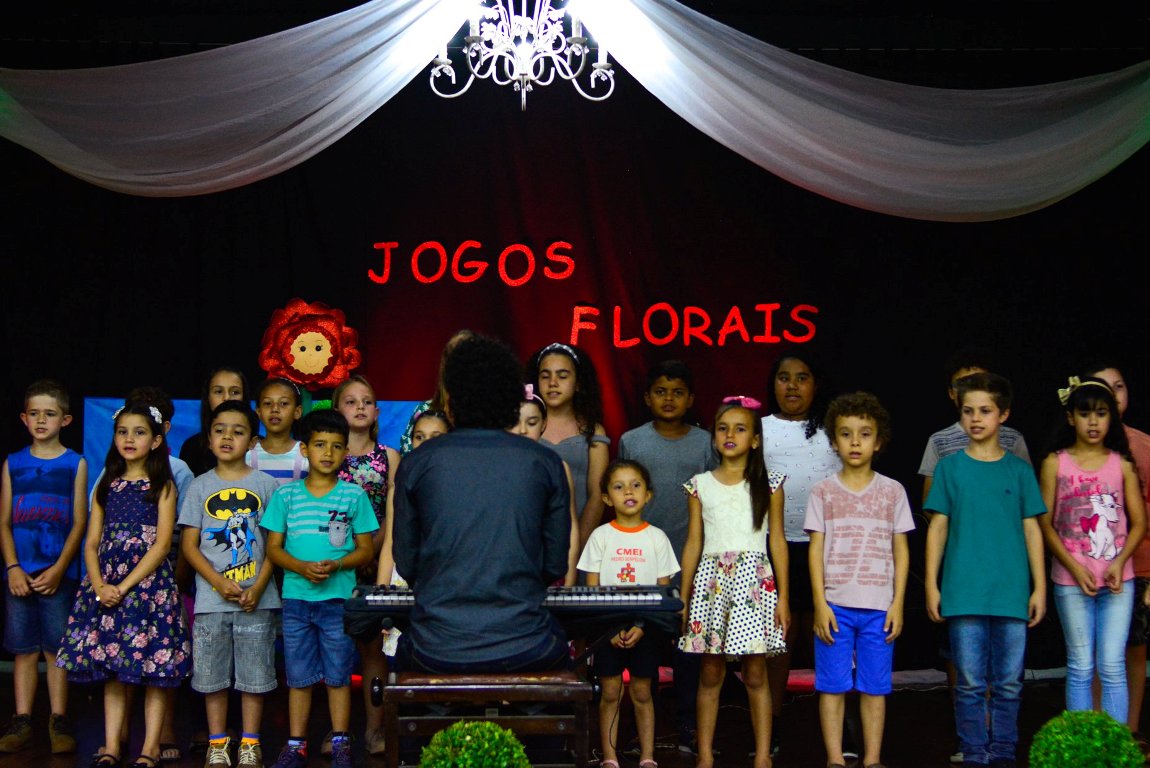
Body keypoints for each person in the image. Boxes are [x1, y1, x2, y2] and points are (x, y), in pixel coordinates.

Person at [392, 334, 571, 673]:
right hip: (527, 643)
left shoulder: (417, 462)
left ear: (450, 401)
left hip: (435, 647)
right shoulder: (545, 463)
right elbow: (554, 565)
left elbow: (406, 562)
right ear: (511, 401)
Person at [56, 403, 191, 768]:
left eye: (139, 432)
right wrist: (101, 585)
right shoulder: (107, 485)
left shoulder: (163, 486)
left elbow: (162, 546)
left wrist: (126, 585)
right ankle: (112, 745)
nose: (129, 439)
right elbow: (90, 543)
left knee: (154, 672)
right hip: (107, 589)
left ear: (156, 441)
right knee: (112, 670)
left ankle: (149, 748)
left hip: (147, 590)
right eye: (122, 432)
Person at [924, 372, 1046, 768]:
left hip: (1011, 591)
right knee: (970, 683)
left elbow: (1032, 529)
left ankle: (1004, 753)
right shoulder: (950, 468)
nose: (975, 418)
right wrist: (931, 584)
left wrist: (1039, 587)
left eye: (985, 411)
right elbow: (938, 527)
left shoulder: (1019, 470)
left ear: (1003, 415)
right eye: (968, 411)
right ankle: (975, 754)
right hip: (963, 592)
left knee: (1009, 683)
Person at [261, 409, 378, 768]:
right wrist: (300, 567)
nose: (328, 452)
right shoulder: (286, 496)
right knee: (298, 676)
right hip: (296, 600)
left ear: (346, 452)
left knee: (338, 675)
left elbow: (366, 550)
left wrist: (337, 565)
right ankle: (296, 744)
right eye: (319, 444)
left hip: (338, 601)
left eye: (336, 446)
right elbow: (273, 549)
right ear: (304, 450)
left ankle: (341, 741)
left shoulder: (353, 496)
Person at [679, 396, 789, 768]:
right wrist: (684, 594)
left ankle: (763, 756)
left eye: (740, 429)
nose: (730, 435)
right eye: (723, 428)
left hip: (754, 586)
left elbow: (777, 542)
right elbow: (693, 542)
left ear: (755, 440)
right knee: (711, 670)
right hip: (713, 586)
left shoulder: (769, 485)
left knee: (755, 672)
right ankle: (705, 756)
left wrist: (784, 598)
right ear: (714, 437)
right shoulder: (699, 485)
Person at [805, 392, 913, 768]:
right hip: (834, 606)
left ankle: (872, 759)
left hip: (879, 607)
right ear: (834, 441)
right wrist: (820, 604)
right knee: (832, 686)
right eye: (846, 434)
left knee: (875, 687)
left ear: (878, 441)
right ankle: (835, 758)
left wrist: (897, 603)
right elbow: (815, 550)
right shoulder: (823, 492)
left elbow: (901, 551)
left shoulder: (893, 491)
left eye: (864, 434)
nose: (855, 442)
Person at [617, 359, 716, 752]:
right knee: (644, 646)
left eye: (677, 392)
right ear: (647, 398)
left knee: (689, 646)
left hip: (692, 559)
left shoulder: (705, 443)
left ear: (691, 399)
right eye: (661, 391)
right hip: (641, 561)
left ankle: (687, 724)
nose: (669, 399)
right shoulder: (632, 441)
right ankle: (644, 731)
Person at [1038, 376, 1146, 725]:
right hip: (1071, 582)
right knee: (1081, 665)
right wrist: (1073, 566)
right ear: (1071, 418)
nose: (1093, 422)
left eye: (1101, 413)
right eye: (1085, 414)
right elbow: (1045, 523)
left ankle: (1114, 745)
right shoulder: (1055, 463)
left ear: (1111, 417)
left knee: (1112, 665)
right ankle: (1081, 746)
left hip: (1117, 582)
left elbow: (1139, 523)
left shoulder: (1121, 463)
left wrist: (1119, 562)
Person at [178, 401, 281, 768]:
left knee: (255, 675)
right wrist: (217, 582)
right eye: (220, 430)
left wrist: (259, 586)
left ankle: (250, 743)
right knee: (212, 676)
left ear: (252, 442)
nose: (227, 437)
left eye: (238, 432)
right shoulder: (199, 486)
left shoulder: (266, 485)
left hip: (257, 599)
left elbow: (274, 545)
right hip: (211, 601)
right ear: (208, 439)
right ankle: (217, 742)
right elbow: (189, 546)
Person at [0, 380, 87, 755]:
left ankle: (58, 719)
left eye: (49, 414)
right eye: (34, 413)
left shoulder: (75, 463)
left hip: (57, 575)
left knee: (56, 648)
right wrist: (12, 567)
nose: (40, 420)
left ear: (64, 420)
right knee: (23, 650)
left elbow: (80, 523)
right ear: (23, 418)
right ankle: (21, 719)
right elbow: (4, 522)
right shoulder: (13, 463)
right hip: (19, 574)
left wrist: (60, 568)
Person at [761, 351, 840, 753]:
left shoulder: (833, 427)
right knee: (781, 637)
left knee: (830, 635)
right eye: (784, 378)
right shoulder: (760, 428)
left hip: (828, 545)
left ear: (816, 384)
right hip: (774, 544)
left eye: (802, 377)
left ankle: (838, 729)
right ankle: (771, 724)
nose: (792, 386)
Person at [578, 459, 679, 768]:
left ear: (648, 494)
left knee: (642, 691)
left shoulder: (657, 538)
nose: (628, 492)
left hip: (645, 628)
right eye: (619, 487)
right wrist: (608, 630)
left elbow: (662, 593)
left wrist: (642, 626)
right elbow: (593, 593)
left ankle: (647, 756)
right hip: (607, 630)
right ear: (607, 498)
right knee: (610, 692)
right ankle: (609, 757)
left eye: (636, 485)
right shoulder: (600, 537)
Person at [333, 374, 400, 757]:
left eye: (367, 401)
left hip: (376, 560)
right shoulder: (327, 452)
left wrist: (371, 550)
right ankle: (338, 731)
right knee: (336, 649)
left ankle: (375, 729)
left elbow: (393, 511)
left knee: (374, 649)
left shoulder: (389, 457)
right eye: (350, 401)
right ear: (336, 409)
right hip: (334, 564)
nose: (360, 406)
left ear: (376, 412)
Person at [1084, 362, 1150, 747]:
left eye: (1119, 386)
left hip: (1138, 566)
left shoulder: (1143, 446)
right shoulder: (1075, 450)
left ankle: (1129, 730)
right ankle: (1096, 730)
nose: (1112, 395)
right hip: (1091, 568)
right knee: (1095, 651)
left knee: (1134, 649)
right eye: (1103, 388)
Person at [528, 341, 610, 547]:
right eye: (545, 376)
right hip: (530, 543)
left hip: (578, 544)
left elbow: (597, 496)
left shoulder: (593, 431)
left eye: (562, 376)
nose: (552, 383)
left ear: (578, 383)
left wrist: (577, 548)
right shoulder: (523, 429)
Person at [509, 385, 579, 586]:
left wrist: (569, 577)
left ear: (544, 424)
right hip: (507, 570)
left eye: (531, 423)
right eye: (514, 422)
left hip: (547, 569)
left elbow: (570, 526)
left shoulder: (557, 467)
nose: (522, 430)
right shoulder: (494, 467)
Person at [376, 410, 450, 590]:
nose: (426, 444)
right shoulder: (399, 487)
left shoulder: (460, 486)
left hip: (446, 583)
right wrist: (381, 591)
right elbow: (391, 543)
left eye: (436, 437)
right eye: (419, 437)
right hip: (404, 581)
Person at [398, 329, 473, 456]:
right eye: (453, 356)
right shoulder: (425, 409)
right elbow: (408, 459)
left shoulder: (495, 415)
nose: (459, 364)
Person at [180, 366, 250, 477]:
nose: (226, 398)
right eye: (218, 391)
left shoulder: (258, 446)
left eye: (235, 392)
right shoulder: (191, 447)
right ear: (208, 397)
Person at [247, 378, 307, 486]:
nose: (274, 409)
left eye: (283, 403)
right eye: (267, 403)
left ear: (297, 412)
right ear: (259, 412)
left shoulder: (306, 454)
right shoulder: (248, 455)